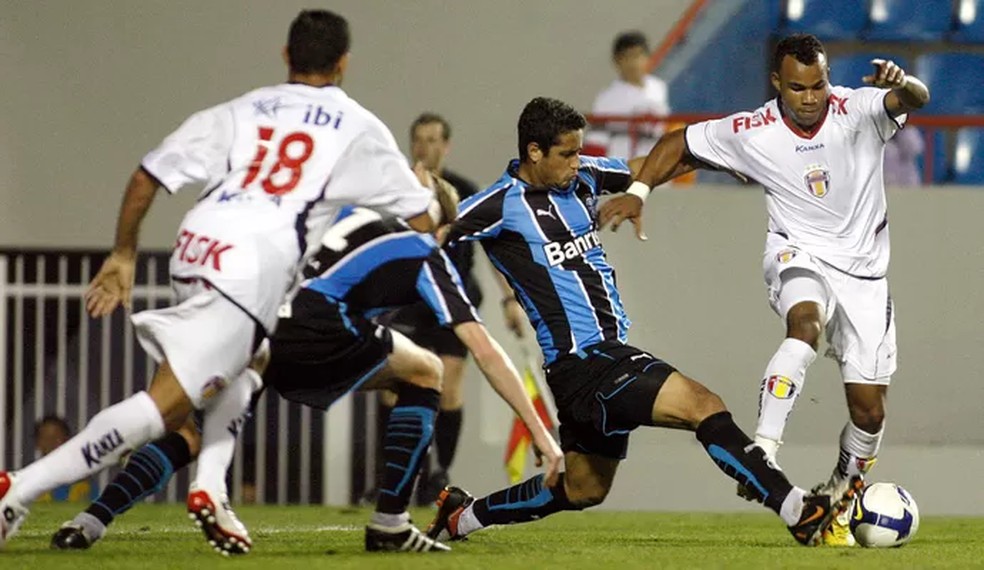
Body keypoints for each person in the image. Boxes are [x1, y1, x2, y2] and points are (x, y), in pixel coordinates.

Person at [0, 9, 441, 551]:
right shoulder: (358, 127)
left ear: (286, 55)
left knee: (242, 372)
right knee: (164, 407)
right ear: (344, 63)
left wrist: (123, 253)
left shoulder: (242, 109)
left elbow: (148, 175)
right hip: (250, 267)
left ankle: (211, 489)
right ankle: (19, 485)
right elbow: (424, 227)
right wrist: (424, 193)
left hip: (195, 246)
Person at [426, 96, 858, 548]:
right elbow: (435, 235)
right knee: (702, 404)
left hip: (585, 368)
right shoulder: (499, 204)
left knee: (583, 489)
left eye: (579, 152)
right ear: (534, 152)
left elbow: (643, 167)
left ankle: (463, 517)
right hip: (587, 359)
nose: (577, 163)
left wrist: (717, 154)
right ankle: (797, 509)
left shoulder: (584, 178)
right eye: (567, 154)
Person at [51, 200, 562, 554]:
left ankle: (90, 520)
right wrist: (541, 433)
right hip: (316, 327)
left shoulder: (346, 212)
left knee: (188, 428)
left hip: (254, 312)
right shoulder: (427, 250)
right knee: (427, 370)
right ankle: (390, 523)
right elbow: (485, 349)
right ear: (444, 227)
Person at [599, 34, 930, 546]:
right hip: (797, 252)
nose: (811, 97)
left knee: (870, 411)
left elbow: (914, 99)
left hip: (865, 276)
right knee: (805, 324)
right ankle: (764, 450)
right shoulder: (751, 130)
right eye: (798, 87)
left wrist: (902, 82)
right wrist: (640, 190)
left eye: (818, 84)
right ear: (778, 83)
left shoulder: (858, 108)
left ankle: (844, 487)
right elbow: (676, 143)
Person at [368, 113, 484, 506]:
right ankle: (391, 475)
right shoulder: (395, 192)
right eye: (418, 139)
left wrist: (509, 300)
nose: (425, 147)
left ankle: (439, 474)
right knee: (391, 387)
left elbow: (491, 246)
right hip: (408, 301)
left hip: (452, 301)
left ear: (446, 145)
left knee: (449, 386)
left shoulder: (466, 191)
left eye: (433, 139)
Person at [584, 31, 671, 159]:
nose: (633, 63)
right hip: (623, 166)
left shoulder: (658, 87)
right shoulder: (607, 98)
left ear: (648, 57)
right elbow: (595, 142)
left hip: (655, 165)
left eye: (637, 55)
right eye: (627, 57)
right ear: (616, 61)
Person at [32, 417, 95, 503]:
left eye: (56, 438)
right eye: (46, 438)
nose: (51, 443)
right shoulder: (30, 479)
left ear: (67, 440)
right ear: (38, 443)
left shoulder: (81, 480)